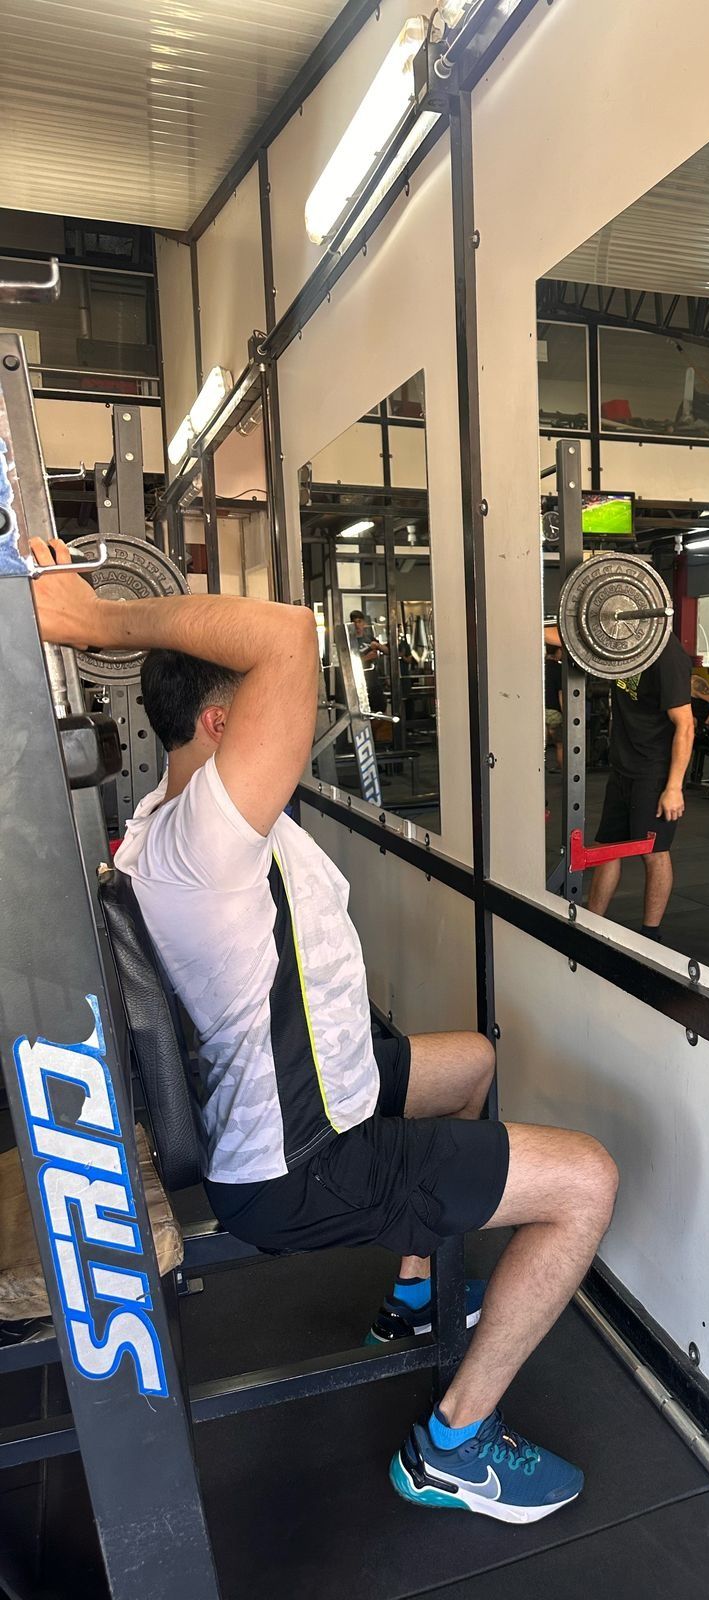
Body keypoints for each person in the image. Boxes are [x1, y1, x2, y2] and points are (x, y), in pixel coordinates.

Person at [30, 536, 618, 1525]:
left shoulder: (169, 819)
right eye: (270, 712)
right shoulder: (206, 841)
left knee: (470, 1062)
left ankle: (414, 1298)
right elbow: (284, 636)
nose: (294, 728)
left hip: (314, 1087)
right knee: (586, 1182)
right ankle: (456, 1443)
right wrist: (95, 621)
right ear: (222, 722)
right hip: (305, 1162)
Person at [587, 632, 694, 942]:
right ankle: (590, 923)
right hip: (623, 766)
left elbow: (686, 725)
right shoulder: (623, 643)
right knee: (606, 849)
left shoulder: (667, 653)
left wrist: (673, 787)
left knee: (654, 852)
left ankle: (650, 935)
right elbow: (577, 636)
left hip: (654, 771)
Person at [349, 608, 385, 713]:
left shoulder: (369, 638)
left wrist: (378, 645)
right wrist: (366, 658)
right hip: (358, 683)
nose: (357, 625)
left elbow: (388, 651)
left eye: (359, 622)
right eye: (354, 622)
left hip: (373, 680)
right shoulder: (350, 642)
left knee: (379, 709)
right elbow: (348, 663)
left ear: (363, 623)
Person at [544, 643, 564, 772]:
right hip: (554, 711)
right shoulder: (558, 669)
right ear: (557, 651)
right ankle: (561, 768)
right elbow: (560, 693)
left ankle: (540, 768)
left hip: (541, 710)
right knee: (560, 743)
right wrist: (565, 711)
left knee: (542, 743)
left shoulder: (540, 667)